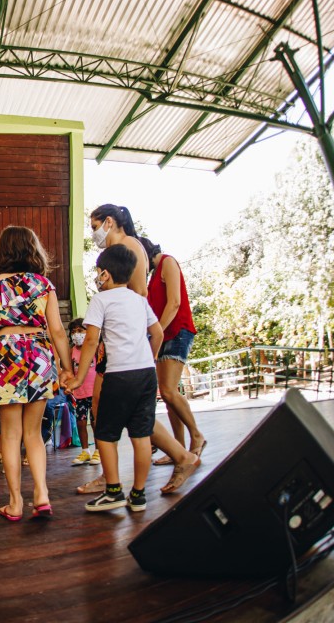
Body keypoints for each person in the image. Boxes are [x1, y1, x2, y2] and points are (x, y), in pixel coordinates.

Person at [78, 204, 200, 496]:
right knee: (116, 409)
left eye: (95, 226)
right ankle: (118, 474)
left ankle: (119, 477)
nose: (94, 233)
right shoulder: (123, 249)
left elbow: (140, 296)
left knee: (109, 409)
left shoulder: (129, 246)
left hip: (126, 348)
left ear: (109, 222)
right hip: (126, 344)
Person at [0, 226, 72, 521]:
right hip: (39, 354)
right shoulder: (44, 285)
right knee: (34, 434)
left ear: (3, 252)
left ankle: (15, 503)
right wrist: (67, 368)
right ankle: (42, 495)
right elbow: (59, 332)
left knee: (10, 436)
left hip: (7, 355)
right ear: (33, 250)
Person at [67, 244, 161, 513]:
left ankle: (113, 491)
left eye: (98, 273)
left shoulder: (101, 300)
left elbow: (90, 340)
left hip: (118, 376)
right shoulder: (139, 300)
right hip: (146, 374)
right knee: (141, 435)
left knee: (106, 434)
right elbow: (158, 333)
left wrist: (78, 378)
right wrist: (149, 360)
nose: (98, 278)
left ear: (105, 274)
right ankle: (139, 496)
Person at [142, 237, 206, 463]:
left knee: (168, 390)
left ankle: (196, 436)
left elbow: (175, 302)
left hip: (178, 331)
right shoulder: (151, 276)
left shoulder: (168, 262)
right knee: (167, 394)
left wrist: (156, 330)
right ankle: (178, 450)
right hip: (163, 335)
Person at [68, 318, 98, 466]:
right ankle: (85, 451)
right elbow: (68, 370)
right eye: (73, 332)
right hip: (79, 393)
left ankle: (98, 451)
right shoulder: (71, 351)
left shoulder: (94, 348)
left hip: (94, 392)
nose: (76, 335)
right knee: (81, 422)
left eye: (80, 331)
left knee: (95, 422)